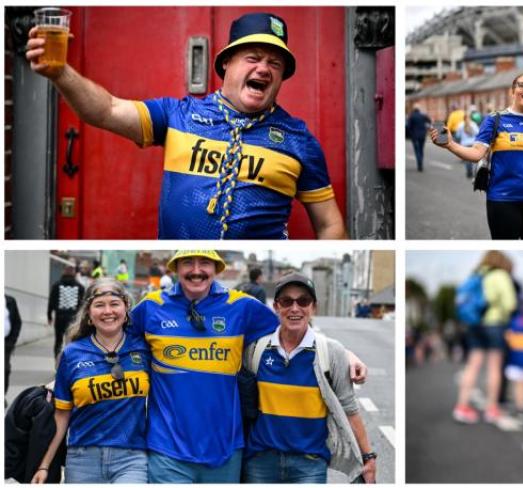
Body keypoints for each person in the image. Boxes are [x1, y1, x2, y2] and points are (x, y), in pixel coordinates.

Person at [26, 12, 346, 240]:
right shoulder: (178, 114)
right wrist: (60, 73)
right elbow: (106, 110)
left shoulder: (298, 140)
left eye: (275, 64)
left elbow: (330, 225)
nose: (264, 68)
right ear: (226, 63)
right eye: (253, 57)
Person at [128, 250, 366, 482]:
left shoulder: (241, 306)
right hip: (167, 450)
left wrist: (345, 354)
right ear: (176, 268)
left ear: (216, 269)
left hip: (226, 452)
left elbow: (293, 328)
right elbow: (114, 335)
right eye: (188, 262)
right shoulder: (151, 307)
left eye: (205, 263)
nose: (196, 270)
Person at [244, 273, 377, 483]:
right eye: (287, 301)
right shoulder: (256, 349)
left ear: (313, 307)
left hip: (309, 466)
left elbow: (349, 409)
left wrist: (368, 458)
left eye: (303, 301)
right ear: (276, 307)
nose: (295, 308)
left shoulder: (330, 352)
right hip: (261, 462)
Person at [33, 278, 150, 483]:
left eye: (114, 304)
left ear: (126, 308)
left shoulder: (145, 348)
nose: (108, 311)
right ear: (88, 312)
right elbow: (62, 415)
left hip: (132, 458)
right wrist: (44, 464)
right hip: (82, 459)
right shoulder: (72, 354)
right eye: (99, 305)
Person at [431, 74, 523, 239]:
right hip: (503, 200)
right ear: (512, 91)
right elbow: (476, 153)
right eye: (522, 85)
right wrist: (450, 144)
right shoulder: (494, 119)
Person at [452, 251, 517, 424]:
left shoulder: (476, 274)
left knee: (472, 365)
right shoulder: (500, 275)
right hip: (494, 324)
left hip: (474, 324)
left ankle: (462, 406)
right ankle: (492, 408)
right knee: (494, 367)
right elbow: (510, 304)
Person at [47, 264, 85, 357]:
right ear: (74, 274)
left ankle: (57, 362)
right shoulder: (80, 287)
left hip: (60, 316)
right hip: (73, 318)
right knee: (71, 340)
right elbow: (83, 304)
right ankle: (69, 361)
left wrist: (49, 315)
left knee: (58, 340)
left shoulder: (56, 285)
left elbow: (51, 301)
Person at [5, 294, 23, 395]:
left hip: (5, 343)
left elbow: (17, 322)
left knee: (5, 370)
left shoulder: (10, 301)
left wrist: (11, 342)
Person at [455, 112, 480, 178]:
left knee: (467, 160)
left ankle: (469, 172)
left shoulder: (460, 125)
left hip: (464, 144)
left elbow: (458, 135)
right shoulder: (473, 124)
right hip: (473, 143)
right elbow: (478, 133)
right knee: (475, 159)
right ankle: (475, 172)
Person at [406, 104, 431, 172]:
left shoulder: (411, 116)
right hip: (422, 135)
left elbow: (408, 126)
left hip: (414, 136)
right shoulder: (423, 115)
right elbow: (429, 121)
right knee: (421, 149)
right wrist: (426, 128)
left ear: (414, 109)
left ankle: (419, 163)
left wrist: (411, 133)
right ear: (419, 109)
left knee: (417, 150)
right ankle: (420, 163)